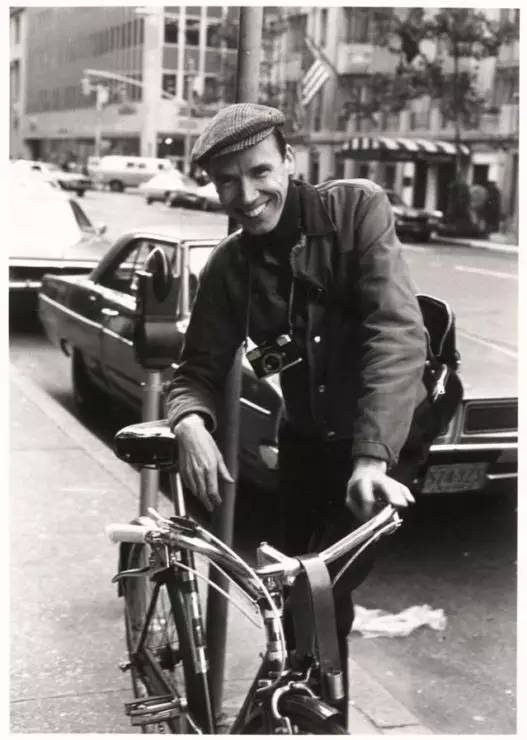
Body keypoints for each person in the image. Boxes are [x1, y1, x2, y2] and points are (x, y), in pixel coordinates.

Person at [165, 103, 427, 717]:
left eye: (259, 171)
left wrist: (370, 459)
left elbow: (396, 333)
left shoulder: (354, 208)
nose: (247, 195)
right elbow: (196, 370)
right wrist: (190, 422)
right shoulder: (230, 265)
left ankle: (298, 718)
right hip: (307, 440)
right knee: (292, 598)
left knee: (319, 593)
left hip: (384, 439)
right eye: (227, 181)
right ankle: (294, 709)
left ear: (289, 159)